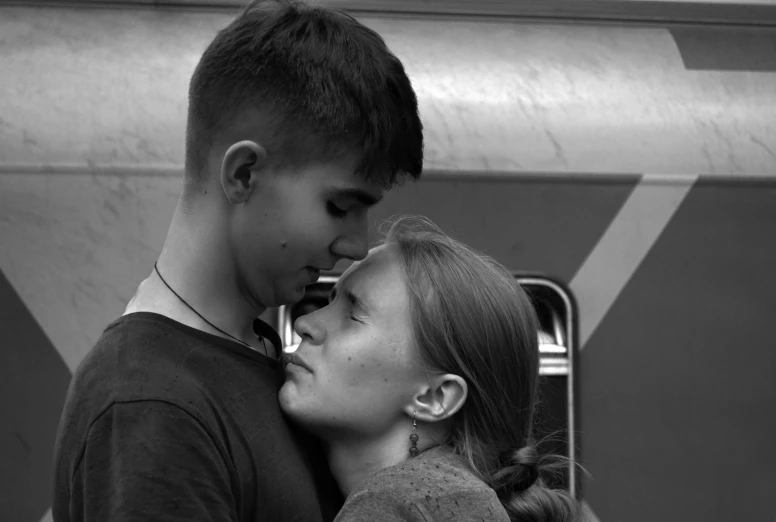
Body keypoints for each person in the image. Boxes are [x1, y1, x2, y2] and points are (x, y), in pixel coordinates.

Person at [51, 0, 423, 520]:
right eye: (339, 206)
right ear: (244, 174)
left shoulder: (258, 356)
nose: (356, 247)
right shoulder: (151, 408)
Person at [279, 216, 583, 522]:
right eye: (330, 301)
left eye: (353, 315)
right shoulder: (446, 497)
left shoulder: (394, 504)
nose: (306, 324)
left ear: (434, 397)